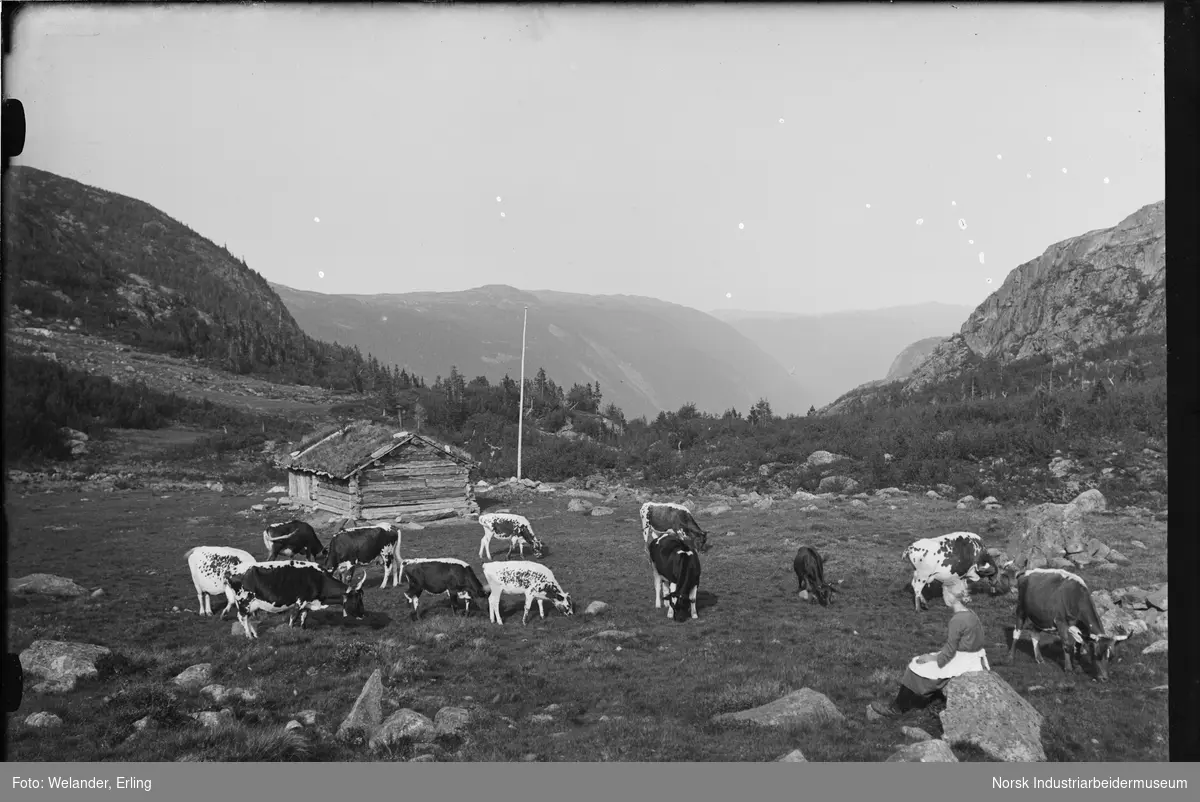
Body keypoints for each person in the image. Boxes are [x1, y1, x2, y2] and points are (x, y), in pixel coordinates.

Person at [870, 575, 990, 718]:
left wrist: (932, 658)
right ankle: (928, 701)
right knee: (926, 658)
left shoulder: (957, 620)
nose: (943, 596)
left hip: (962, 660)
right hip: (973, 657)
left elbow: (949, 652)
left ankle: (897, 708)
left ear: (951, 596)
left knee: (915, 665)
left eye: (944, 593)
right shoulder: (970, 614)